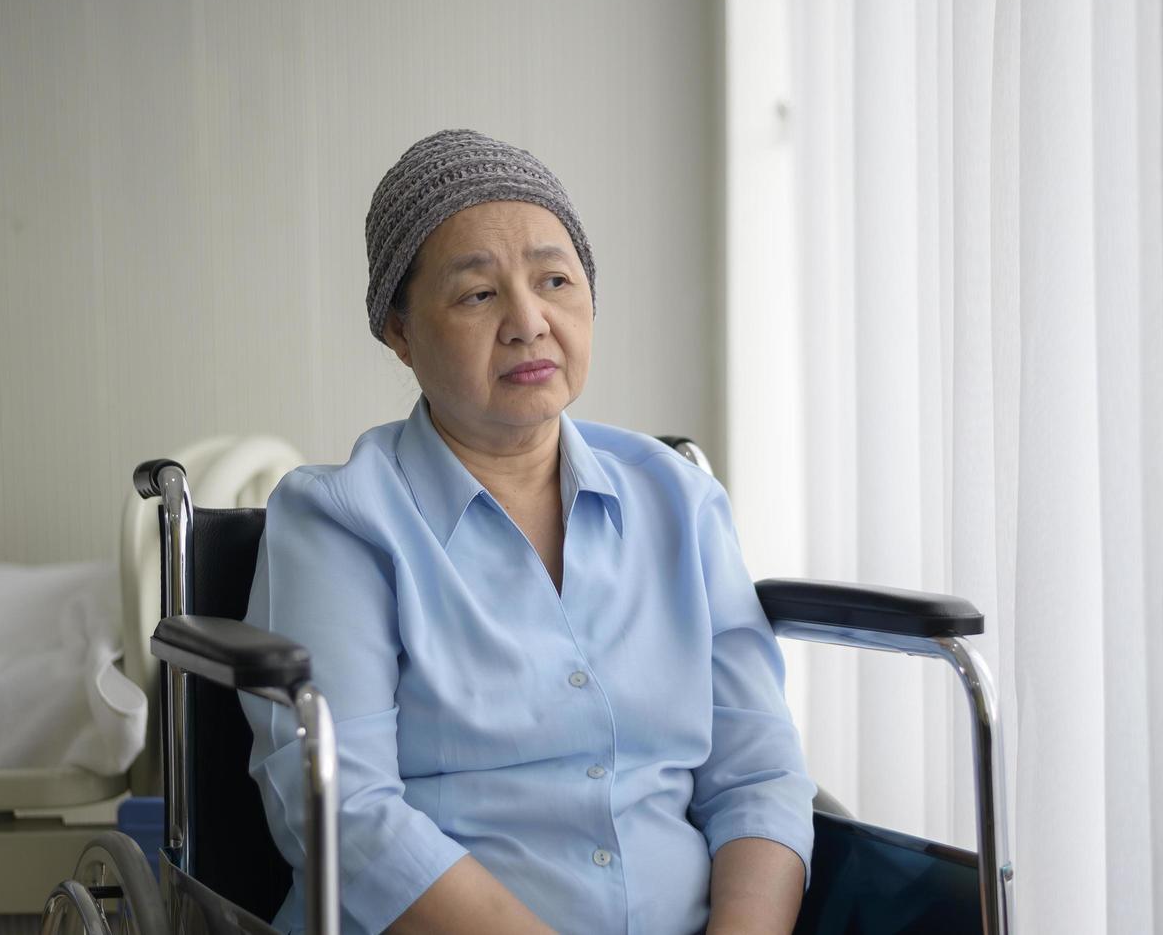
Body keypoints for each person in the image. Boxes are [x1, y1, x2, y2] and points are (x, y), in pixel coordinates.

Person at [241, 129, 814, 935]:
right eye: (477, 294)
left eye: (555, 280)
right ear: (398, 332)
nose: (529, 322)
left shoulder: (678, 500)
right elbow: (344, 812)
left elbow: (758, 774)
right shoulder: (340, 522)